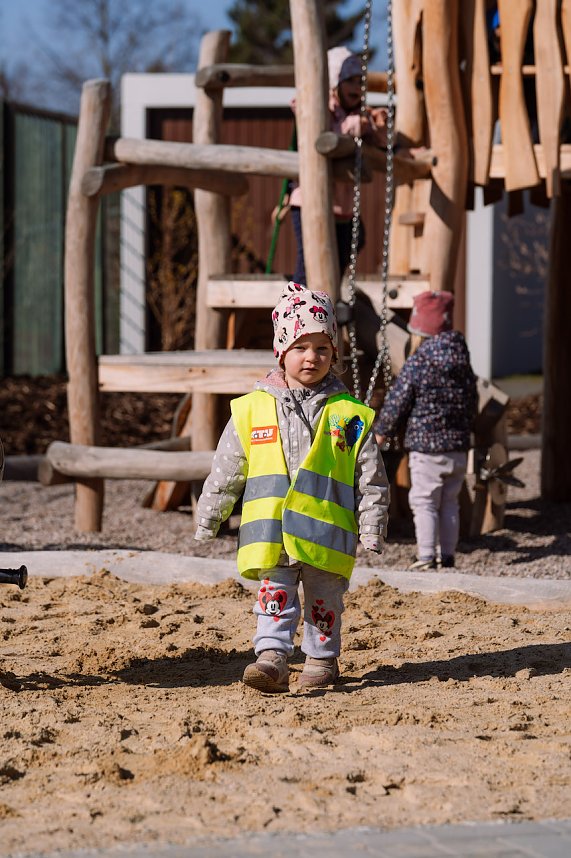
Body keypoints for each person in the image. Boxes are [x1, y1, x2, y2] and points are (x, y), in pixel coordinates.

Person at [194, 281, 390, 693]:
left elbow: (369, 475)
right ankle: (273, 658)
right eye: (300, 347)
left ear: (334, 353)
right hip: (272, 532)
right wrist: (210, 514)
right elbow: (228, 467)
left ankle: (321, 658)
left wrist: (372, 525)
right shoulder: (252, 409)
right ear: (281, 352)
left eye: (322, 348)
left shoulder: (348, 414)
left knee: (324, 601)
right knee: (274, 598)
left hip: (326, 534)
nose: (311, 357)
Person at [374, 290, 478, 571]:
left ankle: (426, 556)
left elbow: (398, 400)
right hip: (457, 448)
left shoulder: (418, 363)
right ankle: (448, 555)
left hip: (426, 448)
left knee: (424, 503)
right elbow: (472, 400)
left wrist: (380, 432)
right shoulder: (462, 361)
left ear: (419, 331)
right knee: (449, 503)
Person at [288, 46, 388, 285]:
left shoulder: (358, 113)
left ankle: (328, 295)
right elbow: (325, 137)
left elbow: (381, 144)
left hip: (342, 207)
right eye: (349, 82)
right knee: (309, 262)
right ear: (334, 85)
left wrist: (378, 127)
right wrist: (358, 125)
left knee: (351, 243)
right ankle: (295, 313)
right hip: (311, 202)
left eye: (359, 82)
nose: (356, 88)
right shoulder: (322, 108)